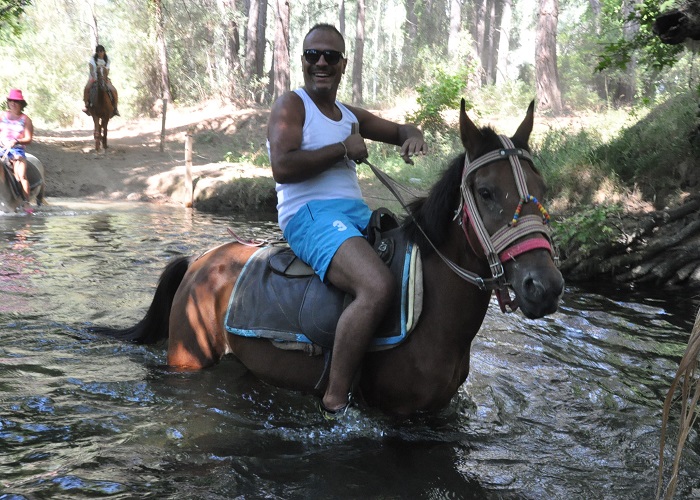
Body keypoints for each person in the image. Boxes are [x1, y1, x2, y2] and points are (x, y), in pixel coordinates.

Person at [267, 23, 428, 417]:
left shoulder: (347, 114)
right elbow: (281, 167)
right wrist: (343, 148)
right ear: (303, 61)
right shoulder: (293, 105)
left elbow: (399, 129)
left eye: (330, 56)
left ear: (343, 64)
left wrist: (413, 134)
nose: (321, 62)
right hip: (309, 215)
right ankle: (334, 402)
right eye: (312, 55)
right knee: (375, 285)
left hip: (355, 215)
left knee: (423, 256)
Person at [0, 88, 34, 210]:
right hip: (1, 147)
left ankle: (26, 202)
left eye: (16, 101)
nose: (13, 103)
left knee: (21, 176)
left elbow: (28, 139)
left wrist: (16, 141)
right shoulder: (2, 115)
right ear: (8, 102)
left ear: (21, 104)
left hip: (16, 150)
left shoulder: (26, 120)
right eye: (11, 101)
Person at [82, 44, 119, 117]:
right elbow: (91, 69)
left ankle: (115, 107)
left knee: (113, 90)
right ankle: (87, 105)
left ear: (104, 51)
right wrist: (95, 78)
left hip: (104, 78)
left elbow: (107, 70)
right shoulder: (93, 59)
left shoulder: (107, 59)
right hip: (94, 77)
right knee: (86, 88)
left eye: (101, 51)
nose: (99, 53)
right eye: (98, 51)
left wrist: (103, 78)